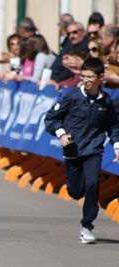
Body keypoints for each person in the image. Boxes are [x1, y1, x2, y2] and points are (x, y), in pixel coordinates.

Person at [44, 57, 119, 244]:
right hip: (73, 150)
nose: (85, 80)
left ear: (100, 77)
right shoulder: (73, 97)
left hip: (93, 149)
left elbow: (113, 126)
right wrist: (61, 134)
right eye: (83, 76)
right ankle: (80, 193)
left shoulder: (106, 101)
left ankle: (87, 226)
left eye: (90, 77)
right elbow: (50, 119)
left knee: (93, 182)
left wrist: (117, 146)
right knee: (76, 191)